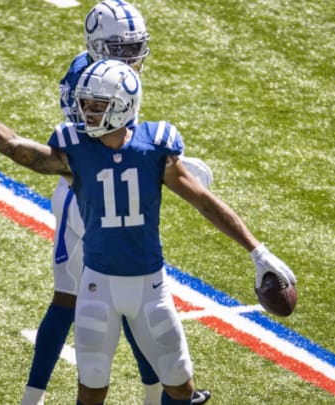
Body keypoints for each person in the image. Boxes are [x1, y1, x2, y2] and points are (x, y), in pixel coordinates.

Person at [0, 59, 296, 404]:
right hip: (98, 286)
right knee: (91, 392)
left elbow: (204, 202)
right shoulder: (75, 151)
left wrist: (257, 251)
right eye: (85, 104)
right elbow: (18, 150)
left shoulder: (155, 146)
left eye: (96, 104)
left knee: (181, 385)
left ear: (123, 106)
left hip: (151, 287)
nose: (86, 112)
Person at [24, 1, 211, 404]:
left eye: (134, 46)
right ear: (96, 44)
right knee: (99, 296)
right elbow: (101, 143)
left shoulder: (96, 69)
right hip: (88, 196)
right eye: (119, 48)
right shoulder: (88, 79)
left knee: (122, 299)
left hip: (92, 188)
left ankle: (152, 393)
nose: (130, 56)